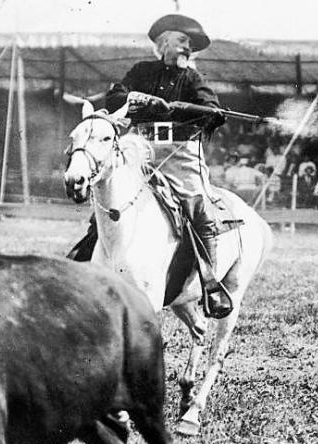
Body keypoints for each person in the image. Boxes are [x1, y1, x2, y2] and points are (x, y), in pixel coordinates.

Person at [66, 13, 232, 318]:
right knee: (112, 200)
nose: (187, 48)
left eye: (191, 45)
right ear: (164, 41)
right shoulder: (142, 71)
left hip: (180, 155)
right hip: (139, 149)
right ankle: (84, 256)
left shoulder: (194, 78)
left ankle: (210, 283)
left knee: (199, 209)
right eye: (183, 41)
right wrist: (142, 99)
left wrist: (191, 111)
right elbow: (115, 95)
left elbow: (211, 109)